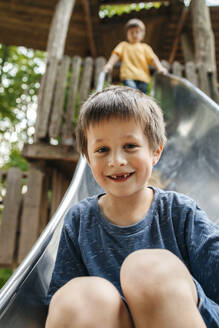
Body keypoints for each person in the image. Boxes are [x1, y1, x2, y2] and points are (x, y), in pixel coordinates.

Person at [45, 86, 219, 328]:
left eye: (130, 146)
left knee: (146, 270)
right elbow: (63, 304)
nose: (116, 161)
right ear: (88, 157)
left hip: (185, 315)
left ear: (155, 152)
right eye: (102, 150)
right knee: (79, 295)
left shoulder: (179, 211)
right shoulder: (80, 220)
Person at [104, 18, 167, 93]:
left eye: (137, 32)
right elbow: (116, 55)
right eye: (131, 32)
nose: (134, 34)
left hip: (143, 78)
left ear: (142, 34)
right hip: (128, 76)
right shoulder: (123, 45)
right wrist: (109, 64)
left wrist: (160, 68)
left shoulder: (145, 47)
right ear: (127, 34)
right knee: (133, 93)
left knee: (142, 97)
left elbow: (153, 59)